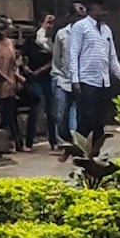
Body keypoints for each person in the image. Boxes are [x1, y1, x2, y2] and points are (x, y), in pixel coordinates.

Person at [65, 1, 120, 154]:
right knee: (87, 117)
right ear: (93, 9)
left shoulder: (106, 30)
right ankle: (77, 148)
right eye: (101, 8)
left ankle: (95, 152)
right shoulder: (81, 27)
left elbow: (112, 58)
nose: (104, 12)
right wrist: (75, 79)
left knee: (100, 120)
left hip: (103, 80)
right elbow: (73, 54)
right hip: (86, 80)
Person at [0, 19, 25, 154]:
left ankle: (18, 143)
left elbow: (14, 62)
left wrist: (17, 76)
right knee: (2, 113)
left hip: (11, 82)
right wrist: (6, 78)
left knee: (12, 113)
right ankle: (4, 143)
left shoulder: (10, 43)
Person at [23, 15, 59, 150]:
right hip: (34, 78)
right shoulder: (32, 39)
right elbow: (24, 55)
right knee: (35, 108)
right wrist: (26, 67)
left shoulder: (53, 40)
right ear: (40, 23)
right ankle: (29, 142)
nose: (50, 26)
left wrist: (39, 71)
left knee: (51, 110)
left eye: (52, 24)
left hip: (47, 77)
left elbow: (54, 59)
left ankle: (53, 141)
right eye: (48, 23)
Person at [48, 8, 78, 147]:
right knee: (60, 112)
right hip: (61, 78)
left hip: (78, 79)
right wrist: (57, 74)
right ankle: (61, 139)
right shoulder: (62, 34)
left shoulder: (85, 34)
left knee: (74, 112)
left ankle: (73, 140)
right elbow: (57, 58)